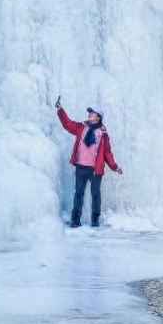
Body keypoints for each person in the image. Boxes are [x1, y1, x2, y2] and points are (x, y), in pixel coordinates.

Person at [55, 96, 123, 228]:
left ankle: (95, 220)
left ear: (98, 117)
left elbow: (107, 153)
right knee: (78, 194)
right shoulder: (81, 127)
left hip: (95, 170)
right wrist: (60, 110)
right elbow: (67, 124)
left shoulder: (103, 134)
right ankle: (75, 221)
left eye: (92, 113)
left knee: (96, 195)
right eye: (89, 113)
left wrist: (115, 167)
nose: (90, 115)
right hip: (81, 167)